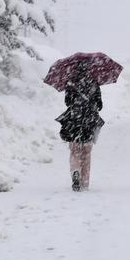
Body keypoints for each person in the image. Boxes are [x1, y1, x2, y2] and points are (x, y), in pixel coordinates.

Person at [56, 62, 104, 192]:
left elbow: (68, 102)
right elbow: (100, 105)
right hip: (89, 123)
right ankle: (84, 182)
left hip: (74, 123)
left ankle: (75, 172)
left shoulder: (70, 83)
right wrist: (91, 104)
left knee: (75, 152)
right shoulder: (94, 83)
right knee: (86, 154)